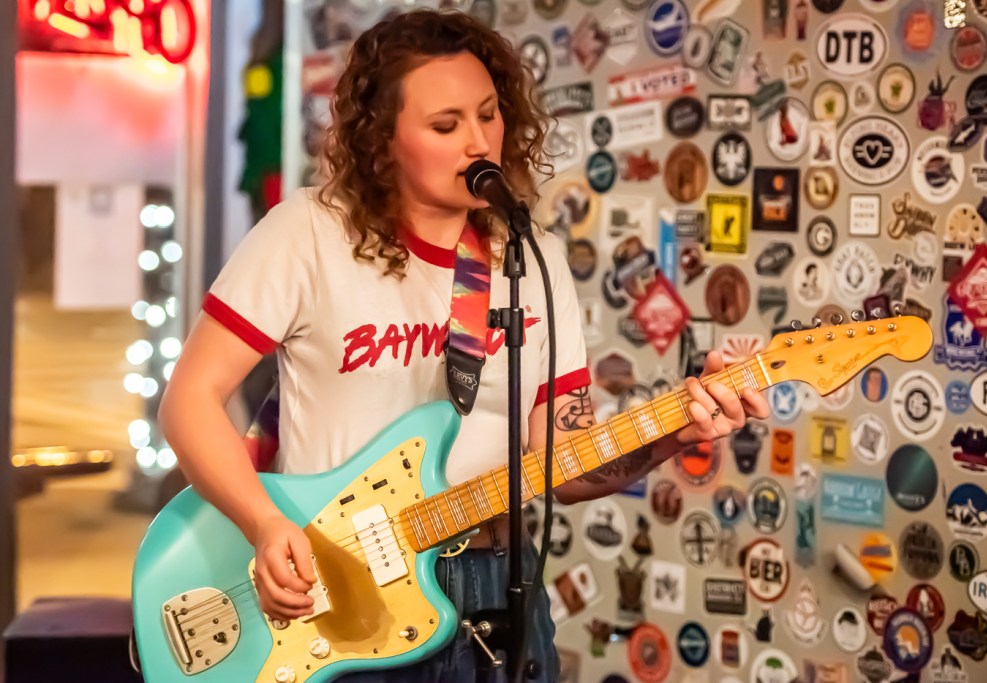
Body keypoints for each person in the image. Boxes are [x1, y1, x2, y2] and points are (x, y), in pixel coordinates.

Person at [158, 9, 769, 682]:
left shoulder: (534, 259)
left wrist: (679, 427)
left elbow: (565, 466)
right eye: (446, 126)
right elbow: (190, 400)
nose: (479, 142)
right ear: (382, 140)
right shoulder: (308, 232)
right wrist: (263, 524)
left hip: (499, 584)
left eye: (488, 114)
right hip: (339, 592)